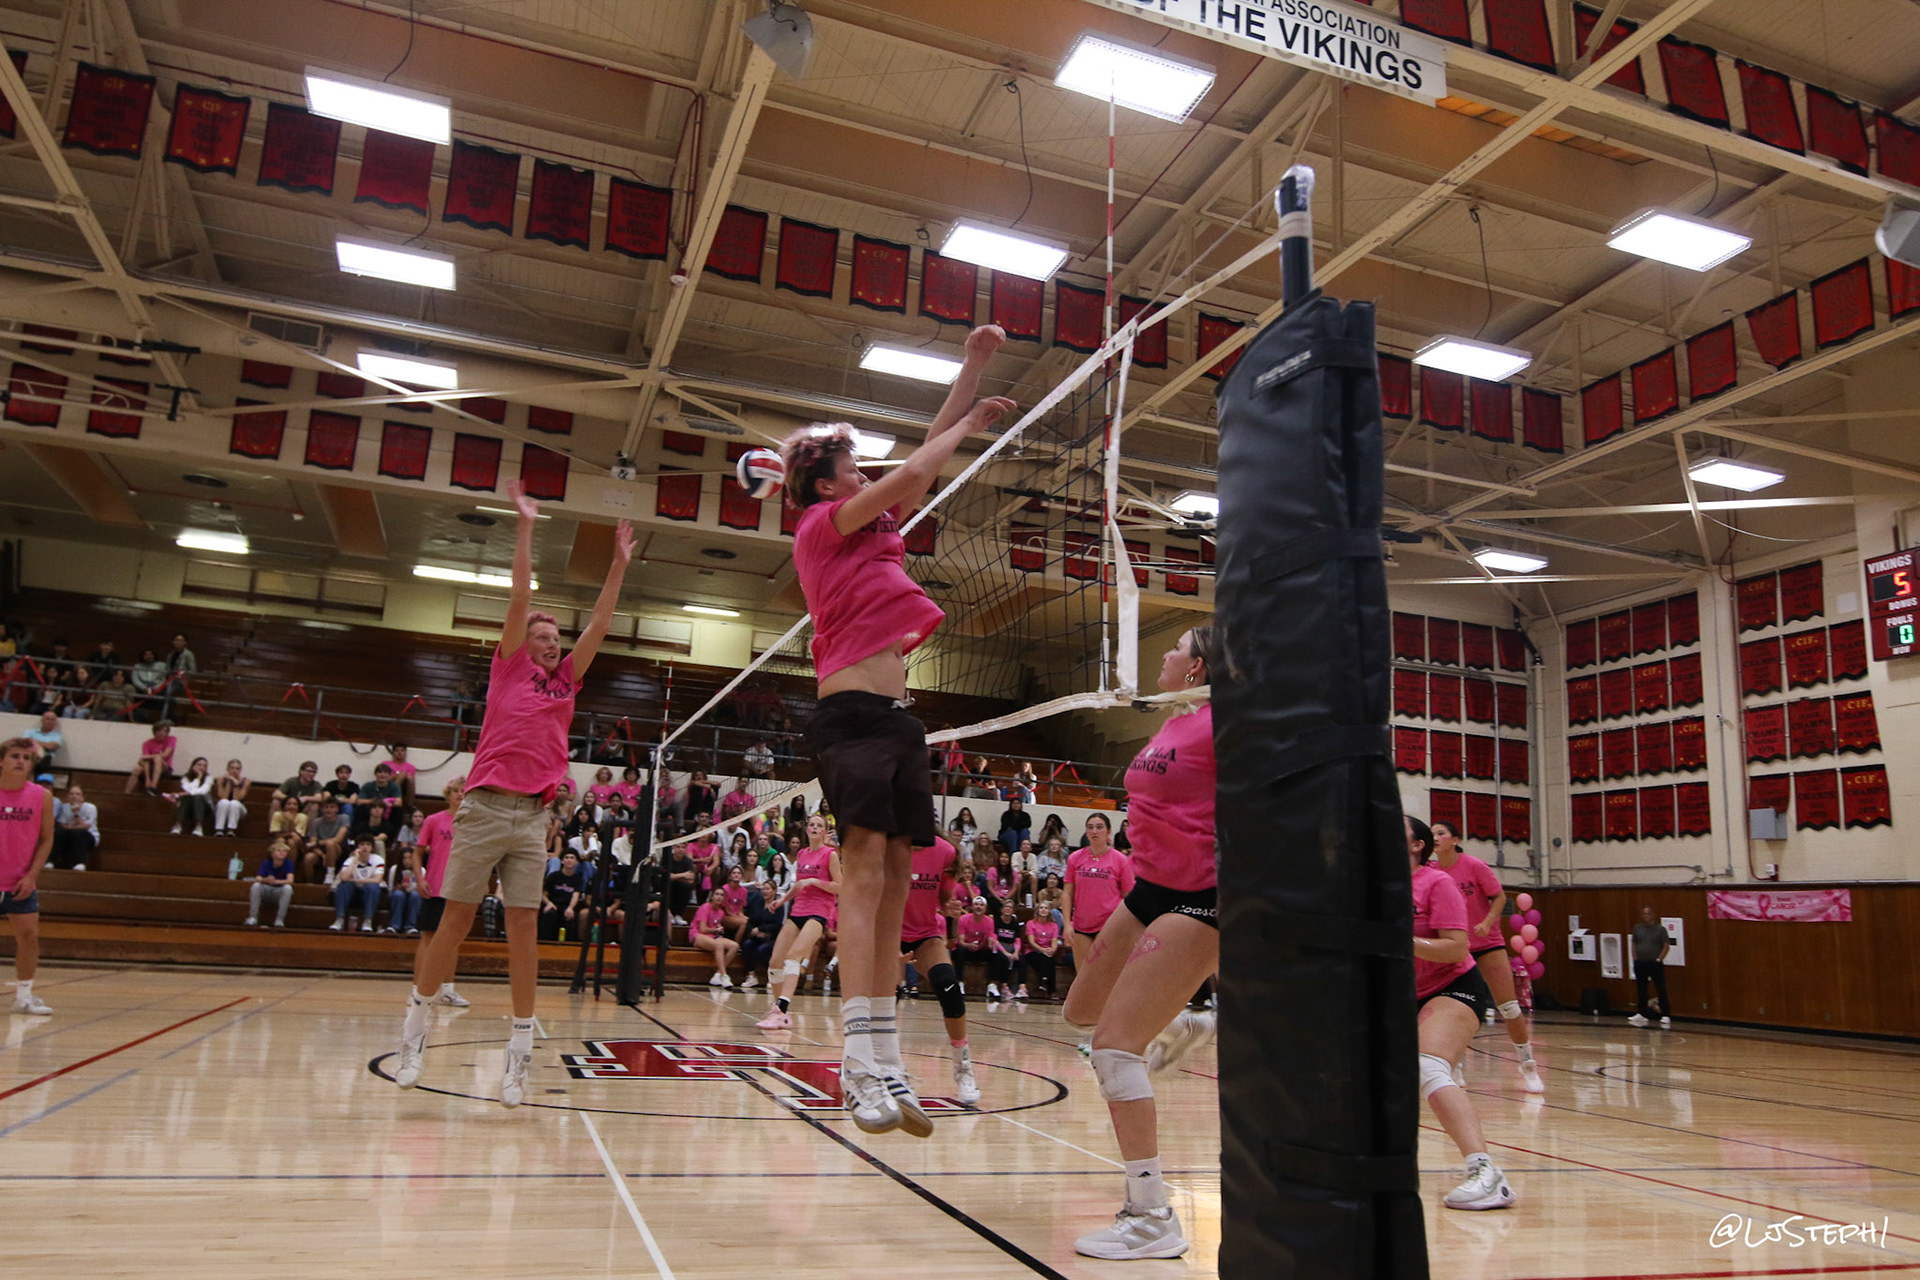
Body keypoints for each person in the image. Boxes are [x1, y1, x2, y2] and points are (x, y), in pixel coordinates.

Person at [778, 328, 1011, 1135]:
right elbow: (916, 470)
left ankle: (885, 1059)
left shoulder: (874, 524)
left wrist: (972, 367)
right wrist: (971, 424)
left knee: (898, 885)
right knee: (865, 877)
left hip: (898, 720)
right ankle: (856, 1065)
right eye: (852, 467)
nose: (865, 474)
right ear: (825, 484)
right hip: (848, 717)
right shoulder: (821, 526)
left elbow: (920, 459)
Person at [394, 482, 636, 1108]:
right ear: (523, 644)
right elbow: (521, 594)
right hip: (484, 807)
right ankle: (415, 1028)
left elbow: (602, 622)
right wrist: (526, 526)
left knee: (524, 928)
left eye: (556, 637)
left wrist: (618, 565)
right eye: (544, 637)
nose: (553, 642)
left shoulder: (568, 681)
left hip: (533, 817)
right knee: (456, 920)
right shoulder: (508, 668)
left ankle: (520, 1049)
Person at [1061, 628, 1220, 1260]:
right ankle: (1182, 1020)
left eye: (1176, 647)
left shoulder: (1229, 725)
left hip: (1202, 896)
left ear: (1198, 665)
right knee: (1079, 1011)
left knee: (1113, 1048)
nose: (1165, 655)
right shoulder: (1175, 720)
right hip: (1150, 886)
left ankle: (1152, 1216)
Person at [1406, 815, 1518, 1210]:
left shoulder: (1437, 882)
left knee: (1428, 1065)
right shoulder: (1370, 886)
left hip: (1452, 985)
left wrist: (1401, 939)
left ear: (1418, 845)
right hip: (1401, 993)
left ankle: (1486, 1173)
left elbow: (1456, 947)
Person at [1431, 819, 1542, 1092]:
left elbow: (1499, 897)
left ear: (1455, 839)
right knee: (1453, 1008)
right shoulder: (1431, 871)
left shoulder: (1474, 865)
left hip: (1487, 943)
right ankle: (1454, 1065)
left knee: (1509, 1007)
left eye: (1441, 833)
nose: (1435, 837)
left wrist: (1488, 921)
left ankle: (1527, 1065)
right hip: (1455, 946)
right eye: (1432, 833)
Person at [898, 835, 979, 1103]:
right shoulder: (890, 846)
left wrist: (950, 906)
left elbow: (944, 899)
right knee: (887, 995)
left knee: (949, 986)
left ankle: (963, 1066)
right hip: (888, 931)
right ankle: (883, 1066)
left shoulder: (944, 851)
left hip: (925, 935)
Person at [755, 813, 840, 1030]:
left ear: (824, 831)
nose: (814, 827)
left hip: (818, 912)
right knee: (775, 961)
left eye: (819, 825)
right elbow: (799, 885)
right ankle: (780, 1011)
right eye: (811, 824)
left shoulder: (830, 854)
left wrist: (815, 881)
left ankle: (781, 1010)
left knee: (793, 956)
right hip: (798, 909)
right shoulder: (802, 854)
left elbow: (840, 886)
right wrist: (782, 900)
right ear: (807, 829)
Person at [1, 736, 56, 1015]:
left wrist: (31, 875)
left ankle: (24, 996)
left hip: (20, 881)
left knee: (29, 936)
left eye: (26, 758)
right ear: (2, 761)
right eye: (15, 756)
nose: (21, 761)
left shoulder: (41, 796)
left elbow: (46, 839)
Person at [410, 776, 471, 1009]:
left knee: (453, 940)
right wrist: (420, 878)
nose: (460, 794)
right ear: (448, 795)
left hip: (459, 889)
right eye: (455, 790)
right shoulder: (434, 820)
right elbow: (417, 853)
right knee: (428, 937)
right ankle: (417, 991)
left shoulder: (472, 823)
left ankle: (447, 991)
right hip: (435, 887)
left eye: (464, 790)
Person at [1063, 813, 1135, 985]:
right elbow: (1067, 893)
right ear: (1086, 832)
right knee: (1084, 980)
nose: (1095, 831)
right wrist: (1067, 924)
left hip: (1109, 926)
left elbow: (1128, 895)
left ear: (1108, 831)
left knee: (1107, 978)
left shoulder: (1120, 860)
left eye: (1099, 827)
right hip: (1081, 925)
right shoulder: (1075, 858)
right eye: (1090, 827)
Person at [1629, 906, 1673, 1029]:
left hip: (1655, 963)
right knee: (1641, 988)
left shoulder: (1660, 929)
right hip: (1640, 963)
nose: (1646, 916)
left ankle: (1665, 1014)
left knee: (1660, 987)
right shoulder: (1637, 928)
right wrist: (1635, 958)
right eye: (1644, 914)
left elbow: (1666, 945)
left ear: (1653, 915)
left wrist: (1659, 959)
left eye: (1648, 914)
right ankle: (1642, 1013)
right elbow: (1633, 943)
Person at [331, 837, 385, 931]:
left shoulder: (378, 859)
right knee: (343, 886)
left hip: (368, 893)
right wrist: (355, 859)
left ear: (372, 848)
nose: (365, 847)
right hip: (354, 894)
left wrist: (354, 880)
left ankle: (368, 920)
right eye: (362, 844)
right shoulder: (350, 860)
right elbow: (344, 878)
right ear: (357, 847)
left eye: (368, 845)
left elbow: (377, 880)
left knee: (373, 887)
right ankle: (339, 919)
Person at [690, 888, 740, 987]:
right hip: (697, 935)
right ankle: (724, 975)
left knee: (734, 946)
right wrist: (716, 930)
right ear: (712, 897)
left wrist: (718, 929)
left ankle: (717, 974)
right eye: (717, 894)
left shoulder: (721, 912)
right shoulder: (705, 907)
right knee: (719, 945)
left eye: (722, 895)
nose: (719, 897)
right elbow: (703, 929)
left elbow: (714, 926)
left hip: (712, 937)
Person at [951, 896, 999, 994]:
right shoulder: (963, 919)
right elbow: (961, 941)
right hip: (966, 949)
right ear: (972, 907)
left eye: (981, 905)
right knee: (959, 951)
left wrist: (991, 944)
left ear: (985, 908)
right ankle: (959, 982)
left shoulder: (990, 921)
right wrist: (969, 945)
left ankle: (992, 985)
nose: (979, 907)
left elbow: (990, 941)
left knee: (996, 955)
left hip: (980, 950)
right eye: (976, 904)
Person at [246, 842, 297, 928]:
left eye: (284, 851)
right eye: (279, 850)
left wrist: (276, 882)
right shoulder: (266, 863)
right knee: (256, 886)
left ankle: (279, 920)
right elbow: (258, 878)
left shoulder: (288, 863)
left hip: (278, 891)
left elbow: (290, 880)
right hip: (266, 890)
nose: (282, 853)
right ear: (272, 854)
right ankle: (253, 917)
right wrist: (266, 880)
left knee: (288, 888)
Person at [539, 850, 587, 941]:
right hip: (553, 905)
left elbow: (576, 895)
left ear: (576, 862)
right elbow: (543, 894)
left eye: (572, 858)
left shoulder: (577, 879)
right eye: (566, 857)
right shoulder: (553, 876)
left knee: (571, 917)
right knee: (550, 914)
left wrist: (570, 908)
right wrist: (549, 903)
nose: (569, 860)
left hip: (566, 907)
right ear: (562, 861)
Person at [1014, 908, 1061, 1000]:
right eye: (1041, 908)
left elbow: (1054, 942)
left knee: (1050, 959)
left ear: (1049, 912)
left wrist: (1052, 950)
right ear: (1037, 911)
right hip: (1033, 951)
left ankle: (1050, 989)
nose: (1043, 910)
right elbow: (1031, 942)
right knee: (1042, 958)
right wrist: (1042, 950)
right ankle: (1045, 983)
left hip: (1047, 952)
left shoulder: (1054, 925)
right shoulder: (1031, 923)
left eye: (1046, 908)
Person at [50, 784, 98, 871]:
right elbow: (61, 825)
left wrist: (76, 813)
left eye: (77, 794)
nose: (74, 796)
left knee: (77, 833)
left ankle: (80, 863)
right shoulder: (64, 807)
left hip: (88, 836)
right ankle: (50, 861)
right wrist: (72, 828)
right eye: (71, 794)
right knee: (59, 833)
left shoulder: (90, 807)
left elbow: (85, 826)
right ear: (68, 796)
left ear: (82, 797)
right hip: (69, 835)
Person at [303, 799, 349, 883]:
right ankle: (310, 883)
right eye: (326, 807)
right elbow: (312, 843)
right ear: (322, 809)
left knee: (330, 843)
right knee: (308, 857)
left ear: (337, 809)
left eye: (332, 807)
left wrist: (318, 843)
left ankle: (330, 874)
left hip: (338, 849)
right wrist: (323, 855)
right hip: (320, 850)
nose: (329, 810)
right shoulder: (316, 822)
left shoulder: (343, 818)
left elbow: (338, 839)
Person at [125, 721, 176, 795]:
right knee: (137, 769)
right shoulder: (147, 743)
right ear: (154, 732)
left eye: (164, 731)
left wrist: (150, 756)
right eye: (159, 731)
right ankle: (127, 793)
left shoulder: (171, 739)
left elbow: (165, 754)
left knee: (157, 758)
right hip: (150, 767)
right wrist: (147, 779)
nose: (161, 733)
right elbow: (145, 761)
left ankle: (153, 786)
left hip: (164, 767)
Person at [171, 757, 214, 836]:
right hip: (188, 805)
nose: (202, 767)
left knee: (197, 797)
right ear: (193, 766)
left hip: (204, 807)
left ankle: (198, 826)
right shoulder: (185, 778)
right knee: (187, 797)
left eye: (205, 766)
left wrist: (181, 794)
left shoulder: (209, 778)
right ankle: (178, 825)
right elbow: (188, 789)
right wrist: (199, 777)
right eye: (199, 765)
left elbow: (202, 791)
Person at [212, 758, 251, 838]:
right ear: (227, 769)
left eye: (237, 768)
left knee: (234, 803)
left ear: (240, 770)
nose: (234, 771)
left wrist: (236, 785)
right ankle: (219, 830)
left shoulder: (246, 781)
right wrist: (229, 782)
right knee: (224, 802)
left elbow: (238, 798)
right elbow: (223, 797)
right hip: (222, 808)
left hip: (239, 809)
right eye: (232, 768)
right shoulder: (220, 779)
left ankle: (231, 830)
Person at [129, 646, 167, 719]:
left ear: (154, 655)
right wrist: (144, 688)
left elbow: (163, 679)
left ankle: (160, 718)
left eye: (150, 654)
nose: (148, 657)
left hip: (158, 689)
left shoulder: (162, 665)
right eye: (146, 655)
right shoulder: (137, 666)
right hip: (142, 689)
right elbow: (135, 679)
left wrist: (156, 688)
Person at [322, 764, 359, 828]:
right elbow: (326, 798)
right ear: (337, 774)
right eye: (341, 773)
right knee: (328, 807)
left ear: (349, 775)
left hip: (345, 807)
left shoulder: (354, 786)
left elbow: (352, 801)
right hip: (332, 806)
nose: (344, 775)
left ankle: (347, 830)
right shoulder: (330, 785)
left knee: (348, 807)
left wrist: (336, 800)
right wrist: (345, 800)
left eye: (346, 773)